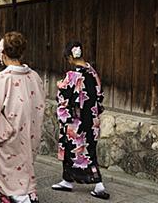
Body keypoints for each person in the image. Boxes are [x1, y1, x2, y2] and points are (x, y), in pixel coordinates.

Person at [0, 31, 46, 203]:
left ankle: (22, 199)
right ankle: (27, 195)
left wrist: (3, 132)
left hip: (8, 138)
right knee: (24, 170)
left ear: (3, 53)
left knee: (10, 179)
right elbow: (40, 105)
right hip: (29, 134)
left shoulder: (1, 78)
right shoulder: (34, 77)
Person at [51, 41, 110, 200]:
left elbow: (64, 97)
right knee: (88, 150)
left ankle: (98, 185)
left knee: (77, 150)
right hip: (91, 119)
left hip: (75, 121)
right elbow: (99, 94)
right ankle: (67, 180)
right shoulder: (92, 72)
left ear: (70, 57)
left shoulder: (73, 76)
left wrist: (60, 88)